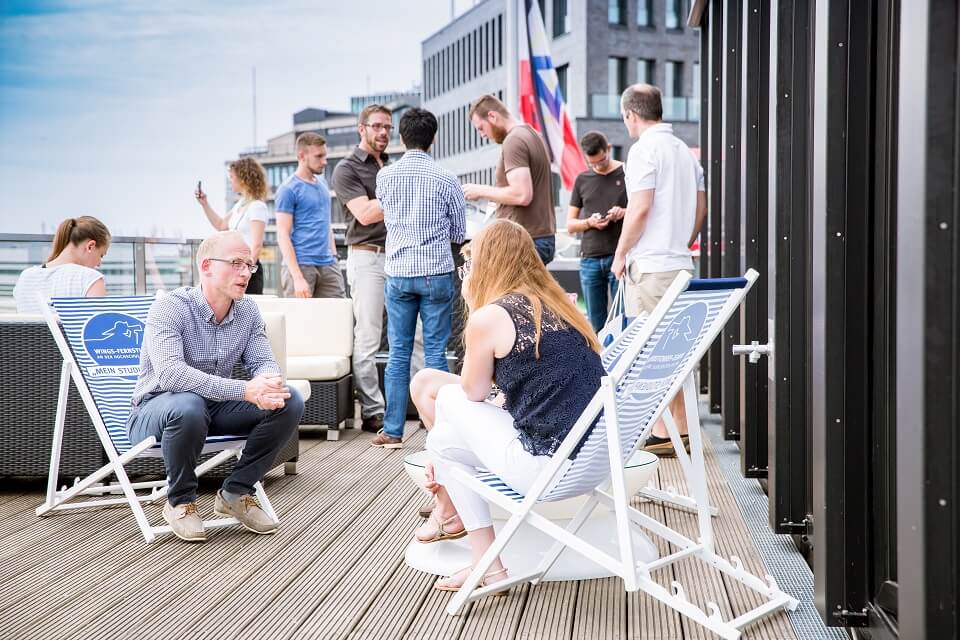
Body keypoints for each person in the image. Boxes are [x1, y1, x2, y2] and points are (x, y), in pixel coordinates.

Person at [408, 219, 604, 593]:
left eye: (470, 262)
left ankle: (449, 514)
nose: (467, 271)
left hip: (547, 469)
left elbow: (473, 392)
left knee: (446, 399)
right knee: (443, 442)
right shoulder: (561, 307)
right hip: (592, 461)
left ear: (485, 263)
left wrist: (472, 304)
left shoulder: (491, 316)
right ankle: (488, 566)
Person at [126, 230, 304, 542]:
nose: (246, 273)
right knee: (189, 405)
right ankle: (180, 501)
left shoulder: (247, 310)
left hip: (212, 410)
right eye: (236, 264)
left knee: (290, 400)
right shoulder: (171, 307)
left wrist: (269, 383)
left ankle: (236, 491)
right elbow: (171, 375)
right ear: (206, 266)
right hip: (156, 411)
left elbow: (264, 360)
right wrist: (245, 391)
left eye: (249, 265)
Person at [612, 84, 707, 457]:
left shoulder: (643, 150)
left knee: (651, 354)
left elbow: (639, 208)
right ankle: (680, 430)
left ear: (631, 114)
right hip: (680, 264)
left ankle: (665, 432)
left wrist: (621, 254)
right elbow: (701, 209)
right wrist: (681, 241)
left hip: (651, 267)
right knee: (677, 352)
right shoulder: (684, 151)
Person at [373, 108, 466, 449]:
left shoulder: (385, 176)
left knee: (398, 352)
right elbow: (459, 233)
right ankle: (437, 429)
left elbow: (386, 215)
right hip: (435, 272)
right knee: (436, 353)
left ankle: (392, 431)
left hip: (398, 272)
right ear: (433, 138)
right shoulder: (446, 178)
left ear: (401, 138)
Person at [331, 104, 424, 434]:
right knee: (368, 336)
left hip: (401, 257)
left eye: (388, 127)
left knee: (416, 335)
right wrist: (406, 195)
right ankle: (373, 411)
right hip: (367, 258)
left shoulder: (392, 167)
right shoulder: (346, 169)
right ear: (362, 128)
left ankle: (424, 406)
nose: (384, 132)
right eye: (377, 126)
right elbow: (366, 214)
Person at [463, 94, 557, 265]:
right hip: (536, 239)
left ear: (492, 116)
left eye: (481, 128)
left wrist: (480, 191)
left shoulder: (514, 141)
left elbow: (522, 195)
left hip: (524, 242)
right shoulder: (533, 134)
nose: (482, 135)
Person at [566, 131, 628, 332]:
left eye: (602, 161)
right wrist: (589, 223)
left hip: (619, 256)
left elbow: (642, 210)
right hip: (590, 259)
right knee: (595, 324)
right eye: (592, 163)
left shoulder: (627, 173)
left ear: (608, 149)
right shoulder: (582, 179)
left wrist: (623, 212)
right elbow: (570, 225)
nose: (598, 167)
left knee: (621, 321)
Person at [275, 132, 345, 299]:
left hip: (328, 265)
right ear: (301, 156)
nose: (324, 161)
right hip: (301, 265)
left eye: (325, 155)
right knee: (301, 316)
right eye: (319, 156)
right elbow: (282, 234)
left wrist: (334, 256)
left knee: (339, 313)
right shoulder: (288, 189)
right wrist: (297, 278)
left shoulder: (323, 184)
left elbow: (326, 224)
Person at [195, 157, 269, 294]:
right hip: (238, 268)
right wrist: (204, 204)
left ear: (243, 178)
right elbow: (221, 225)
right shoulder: (240, 204)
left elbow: (256, 246)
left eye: (232, 177)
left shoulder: (257, 206)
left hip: (248, 270)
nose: (231, 181)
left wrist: (246, 271)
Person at [14, 216, 110, 314]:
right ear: (90, 246)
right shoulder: (90, 279)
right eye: (101, 255)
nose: (99, 263)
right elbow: (100, 323)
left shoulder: (25, 277)